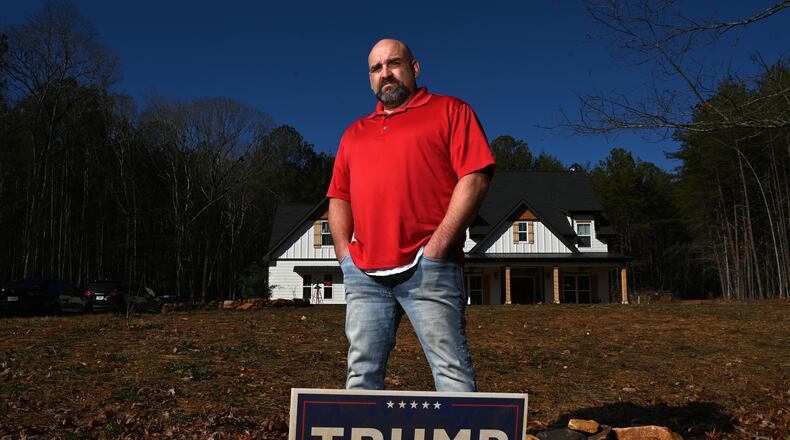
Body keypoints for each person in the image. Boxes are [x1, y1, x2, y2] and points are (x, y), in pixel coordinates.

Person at [326, 38, 495, 391]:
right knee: (361, 375)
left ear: (414, 68)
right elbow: (339, 197)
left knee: (451, 372)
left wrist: (438, 246)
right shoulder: (354, 133)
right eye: (376, 68)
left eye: (394, 63)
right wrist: (345, 257)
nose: (385, 73)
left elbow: (475, 177)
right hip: (365, 275)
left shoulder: (451, 110)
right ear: (370, 78)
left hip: (429, 267)